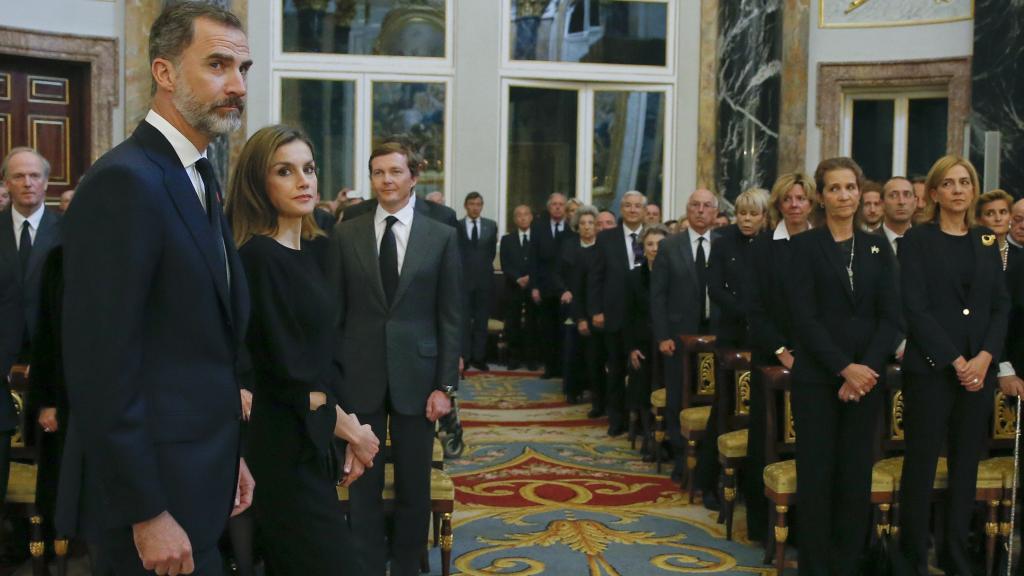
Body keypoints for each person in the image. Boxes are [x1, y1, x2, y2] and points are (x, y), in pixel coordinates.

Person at [61, 4, 255, 574]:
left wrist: (227, 460)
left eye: (243, 68)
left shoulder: (197, 171)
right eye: (218, 65)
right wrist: (146, 512)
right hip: (151, 504)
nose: (237, 86)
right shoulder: (126, 181)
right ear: (165, 72)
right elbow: (102, 368)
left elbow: (195, 344)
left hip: (199, 477)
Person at [225, 125, 380, 575]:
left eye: (308, 169)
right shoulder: (258, 257)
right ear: (259, 183)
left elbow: (326, 358)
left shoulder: (313, 251)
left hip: (314, 437)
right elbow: (288, 377)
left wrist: (347, 431)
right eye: (285, 171)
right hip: (281, 445)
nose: (303, 181)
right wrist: (354, 433)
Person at [327, 140, 461, 576]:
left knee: (413, 482)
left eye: (395, 172)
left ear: (413, 177)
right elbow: (336, 310)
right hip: (359, 371)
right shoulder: (347, 232)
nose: (386, 180)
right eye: (378, 172)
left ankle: (406, 565)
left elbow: (451, 317)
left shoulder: (439, 235)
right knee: (361, 478)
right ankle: (365, 564)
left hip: (419, 378)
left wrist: (446, 387)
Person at [896, 155, 1009, 576]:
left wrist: (983, 358)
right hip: (932, 371)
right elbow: (915, 308)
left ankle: (956, 557)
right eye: (950, 183)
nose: (958, 190)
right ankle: (911, 559)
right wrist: (956, 360)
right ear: (935, 193)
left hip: (978, 374)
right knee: (921, 466)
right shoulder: (916, 241)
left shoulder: (986, 241)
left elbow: (1000, 306)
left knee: (965, 467)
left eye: (965, 182)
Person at [788, 158, 902, 574]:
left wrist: (865, 369)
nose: (843, 196)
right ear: (821, 196)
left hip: (866, 383)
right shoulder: (803, 246)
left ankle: (849, 564)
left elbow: (892, 316)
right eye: (834, 188)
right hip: (818, 380)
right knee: (817, 477)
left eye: (850, 187)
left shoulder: (877, 247)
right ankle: (817, 567)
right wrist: (844, 369)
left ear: (860, 192)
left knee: (855, 478)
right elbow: (804, 317)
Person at [742, 171, 816, 542]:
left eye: (801, 198)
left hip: (820, 358)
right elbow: (755, 309)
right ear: (779, 205)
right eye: (788, 199)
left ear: (811, 203)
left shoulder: (825, 244)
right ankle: (764, 527)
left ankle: (807, 529)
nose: (795, 205)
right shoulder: (764, 248)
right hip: (773, 356)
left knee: (812, 446)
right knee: (767, 440)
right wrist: (782, 352)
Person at [694, 187, 768, 509]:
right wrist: (745, 310)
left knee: (761, 413)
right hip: (732, 337)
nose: (747, 220)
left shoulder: (774, 245)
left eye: (753, 214)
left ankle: (754, 485)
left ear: (764, 216)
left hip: (765, 338)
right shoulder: (723, 242)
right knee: (723, 408)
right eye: (742, 213)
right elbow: (715, 287)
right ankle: (708, 483)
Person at [1, 147, 62, 513]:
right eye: (19, 176)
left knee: (52, 466)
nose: (28, 183)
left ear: (47, 181)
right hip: (3, 362)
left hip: (52, 363)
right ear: (6, 183)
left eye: (35, 175)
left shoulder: (68, 231)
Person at [649, 189, 716, 482]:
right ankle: (680, 460)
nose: (700, 210)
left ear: (714, 212)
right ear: (687, 210)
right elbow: (658, 296)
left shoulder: (724, 245)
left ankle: (707, 461)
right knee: (679, 396)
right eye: (694, 205)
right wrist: (662, 335)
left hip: (717, 336)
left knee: (714, 398)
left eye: (706, 206)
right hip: (678, 337)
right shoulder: (670, 247)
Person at [589, 191, 646, 436]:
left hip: (645, 317)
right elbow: (596, 277)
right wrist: (596, 310)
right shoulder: (606, 239)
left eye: (637, 206)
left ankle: (642, 422)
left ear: (644, 210)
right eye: (628, 206)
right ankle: (616, 419)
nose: (633, 210)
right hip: (614, 314)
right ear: (621, 209)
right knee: (615, 370)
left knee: (642, 372)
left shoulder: (654, 236)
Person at [624, 225, 669, 454]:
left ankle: (664, 437)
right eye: (650, 244)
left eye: (659, 244)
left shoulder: (674, 275)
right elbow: (628, 315)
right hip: (641, 344)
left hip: (666, 343)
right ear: (643, 247)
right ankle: (648, 435)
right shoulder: (633, 277)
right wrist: (631, 347)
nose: (654, 249)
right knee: (642, 388)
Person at [552, 205, 598, 404]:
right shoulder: (569, 245)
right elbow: (557, 273)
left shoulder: (601, 246)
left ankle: (594, 389)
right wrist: (564, 290)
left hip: (596, 303)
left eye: (590, 223)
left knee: (593, 350)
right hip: (573, 302)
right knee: (573, 349)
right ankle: (572, 390)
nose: (587, 227)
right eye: (583, 224)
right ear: (577, 227)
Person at [531, 192, 570, 378]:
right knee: (547, 330)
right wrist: (535, 287)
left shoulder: (572, 228)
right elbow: (533, 259)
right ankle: (550, 368)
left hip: (566, 289)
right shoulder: (538, 228)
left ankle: (564, 368)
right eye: (554, 204)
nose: (557, 207)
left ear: (566, 207)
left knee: (565, 330)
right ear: (549, 207)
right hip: (545, 287)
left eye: (561, 204)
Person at [458, 192, 498, 371]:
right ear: (466, 206)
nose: (475, 207)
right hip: (463, 281)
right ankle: (464, 357)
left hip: (484, 280)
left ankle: (479, 357)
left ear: (482, 206)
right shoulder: (456, 226)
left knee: (482, 321)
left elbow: (490, 253)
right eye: (472, 204)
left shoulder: (491, 226)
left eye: (478, 204)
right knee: (464, 322)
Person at [500, 205, 541, 371]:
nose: (522, 218)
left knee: (533, 324)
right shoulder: (507, 239)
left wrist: (530, 278)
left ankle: (531, 359)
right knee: (513, 324)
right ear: (515, 219)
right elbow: (505, 264)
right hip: (513, 287)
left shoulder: (538, 239)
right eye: (519, 215)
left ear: (531, 217)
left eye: (526, 214)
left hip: (534, 287)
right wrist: (517, 278)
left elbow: (541, 262)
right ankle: (514, 358)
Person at [977, 189, 1017, 272]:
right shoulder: (970, 252)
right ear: (979, 220)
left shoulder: (1019, 255)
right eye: (990, 213)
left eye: (1003, 212)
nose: (998, 218)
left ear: (1010, 216)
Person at [880, 176, 916, 257]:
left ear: (915, 202)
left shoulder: (926, 241)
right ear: (882, 203)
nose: (901, 202)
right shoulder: (868, 242)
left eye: (907, 195)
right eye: (893, 195)